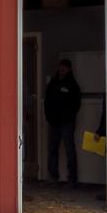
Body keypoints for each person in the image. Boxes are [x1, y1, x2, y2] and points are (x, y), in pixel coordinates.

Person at [42, 58, 83, 186]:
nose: (62, 69)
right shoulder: (53, 83)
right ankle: (53, 176)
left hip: (66, 123)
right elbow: (47, 100)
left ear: (69, 69)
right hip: (53, 122)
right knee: (52, 149)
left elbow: (76, 104)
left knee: (69, 149)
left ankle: (72, 178)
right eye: (61, 66)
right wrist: (48, 116)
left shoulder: (73, 85)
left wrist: (68, 117)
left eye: (64, 67)